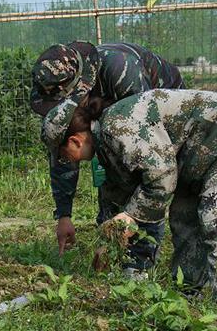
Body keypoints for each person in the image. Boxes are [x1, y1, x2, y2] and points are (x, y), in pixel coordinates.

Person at [43, 89, 217, 300]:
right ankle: (188, 299)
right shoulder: (105, 148)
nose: (67, 161)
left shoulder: (117, 127)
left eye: (63, 155)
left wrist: (129, 217)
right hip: (190, 161)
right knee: (184, 221)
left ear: (75, 141)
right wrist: (110, 241)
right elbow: (121, 197)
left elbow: (162, 178)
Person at [30, 41, 185, 262]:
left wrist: (132, 216)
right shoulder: (55, 85)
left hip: (164, 117)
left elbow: (146, 152)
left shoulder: (120, 70)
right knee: (111, 177)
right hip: (118, 126)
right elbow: (64, 150)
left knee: (148, 183)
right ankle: (113, 246)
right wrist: (64, 214)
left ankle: (141, 259)